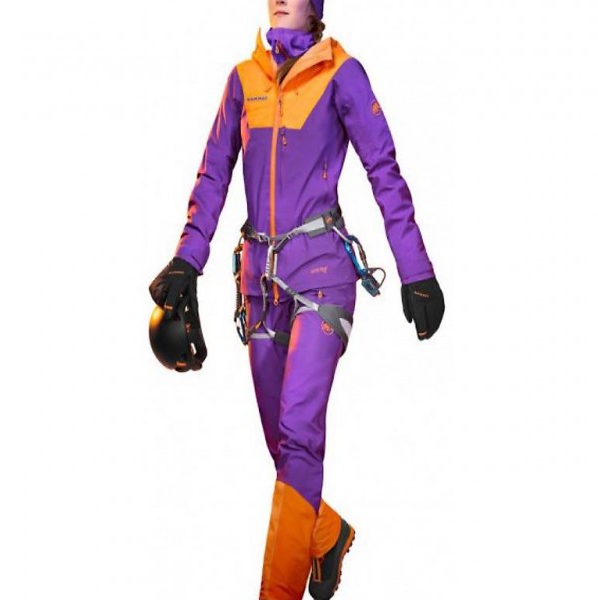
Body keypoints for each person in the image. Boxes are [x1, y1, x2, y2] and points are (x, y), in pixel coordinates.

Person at [149, 0, 445, 597]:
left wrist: (416, 269)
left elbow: (384, 172)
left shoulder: (343, 74)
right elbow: (213, 176)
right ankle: (326, 532)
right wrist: (187, 259)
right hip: (258, 286)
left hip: (323, 276)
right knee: (284, 446)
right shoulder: (243, 80)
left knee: (299, 433)